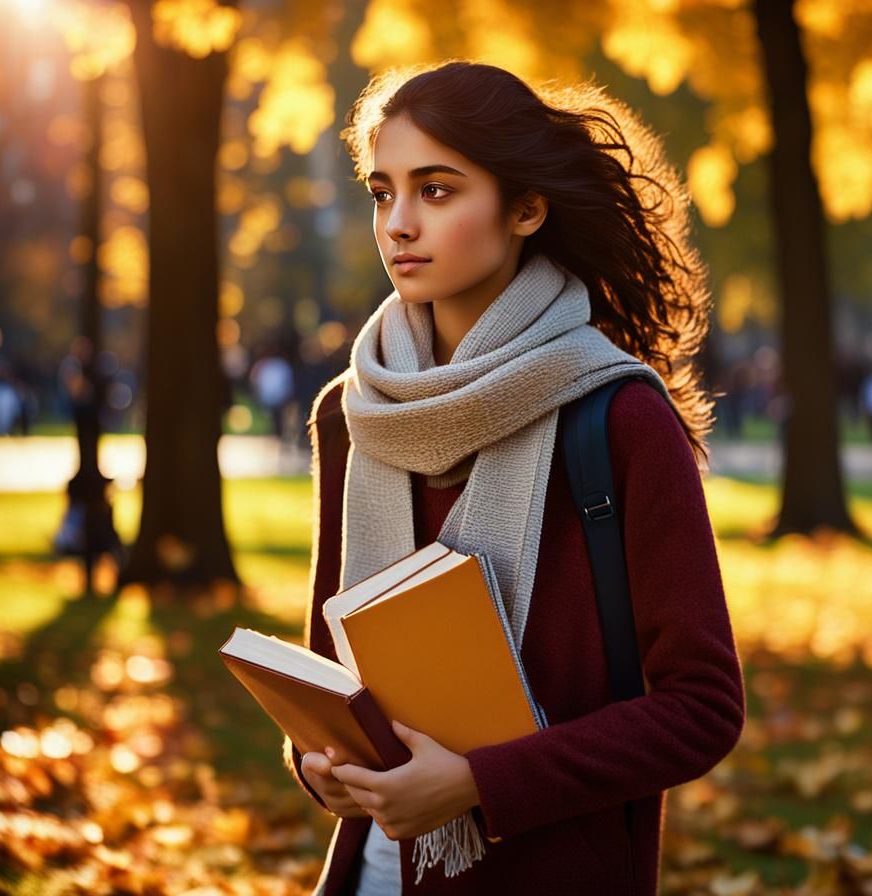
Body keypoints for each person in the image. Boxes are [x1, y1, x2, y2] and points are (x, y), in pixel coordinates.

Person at [278, 62, 745, 896]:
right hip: (375, 875)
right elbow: (334, 674)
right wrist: (321, 764)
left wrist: (478, 784)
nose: (399, 225)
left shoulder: (618, 418)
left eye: (438, 190)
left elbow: (701, 708)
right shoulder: (352, 413)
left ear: (526, 208)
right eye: (383, 193)